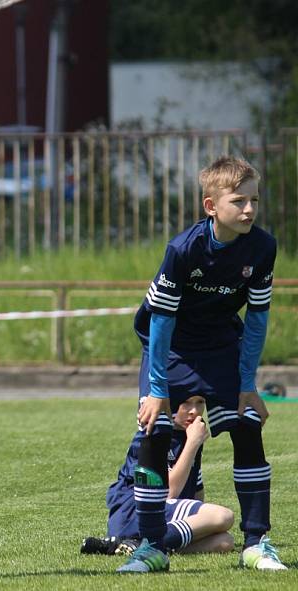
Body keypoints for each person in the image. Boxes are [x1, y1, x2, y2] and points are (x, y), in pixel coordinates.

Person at [119, 155, 286, 573]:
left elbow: (258, 318)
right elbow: (160, 322)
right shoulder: (183, 249)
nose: (249, 209)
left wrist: (248, 383)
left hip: (221, 348)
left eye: (254, 200)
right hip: (170, 348)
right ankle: (151, 547)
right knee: (154, 434)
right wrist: (157, 390)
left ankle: (256, 543)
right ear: (212, 206)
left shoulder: (263, 247)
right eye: (239, 201)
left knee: (247, 425)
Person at [82, 395, 234, 557]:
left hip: (166, 514)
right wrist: (192, 443)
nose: (194, 411)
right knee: (223, 516)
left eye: (200, 403)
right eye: (185, 402)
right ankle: (145, 543)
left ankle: (138, 547)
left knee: (224, 541)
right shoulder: (154, 434)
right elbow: (168, 493)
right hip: (136, 513)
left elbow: (196, 492)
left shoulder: (187, 434)